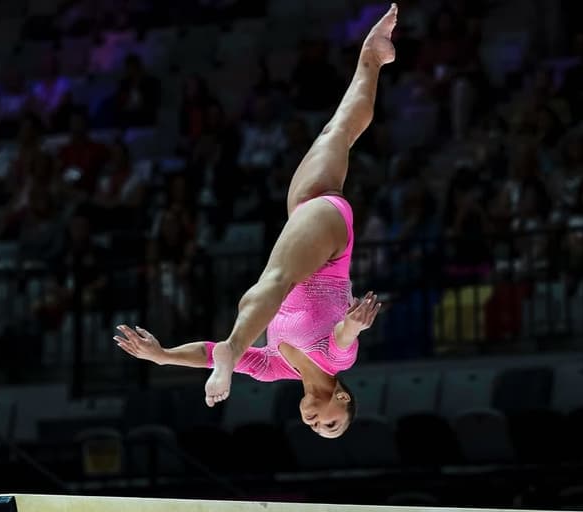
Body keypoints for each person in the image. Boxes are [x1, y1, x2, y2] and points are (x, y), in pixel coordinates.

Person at [115, 4, 399, 438]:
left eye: (319, 430)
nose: (317, 423)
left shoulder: (273, 368)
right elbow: (343, 336)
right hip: (326, 247)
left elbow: (204, 354)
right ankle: (235, 345)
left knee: (336, 132)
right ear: (342, 398)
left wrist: (163, 357)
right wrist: (354, 325)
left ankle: (371, 57)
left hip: (309, 225)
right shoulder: (337, 361)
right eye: (331, 424)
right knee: (276, 280)